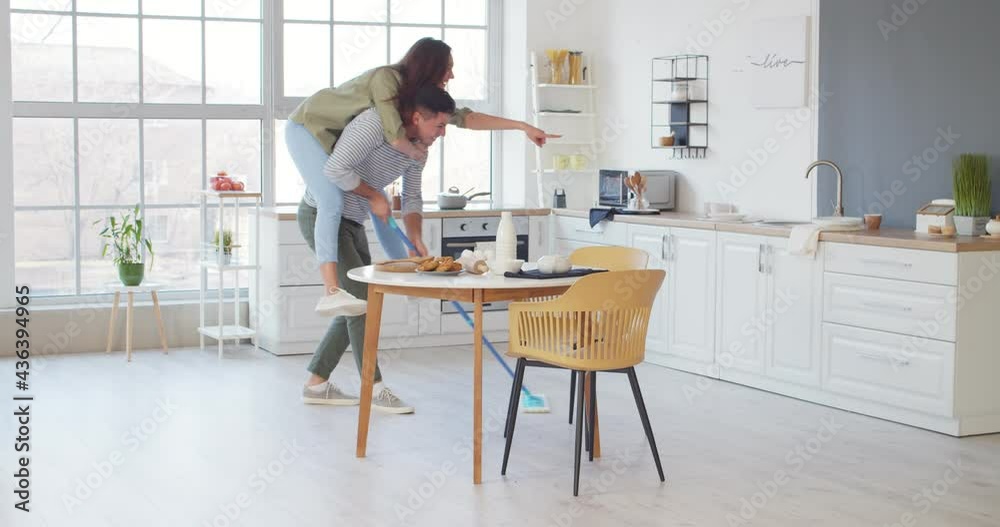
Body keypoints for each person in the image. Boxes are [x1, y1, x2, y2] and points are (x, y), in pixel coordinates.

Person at [286, 37, 558, 318]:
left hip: (333, 139)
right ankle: (330, 291)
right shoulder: (387, 80)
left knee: (374, 207)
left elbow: (465, 118)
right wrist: (417, 152)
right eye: (448, 67)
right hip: (306, 126)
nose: (451, 75)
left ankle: (400, 275)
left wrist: (520, 126)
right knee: (330, 198)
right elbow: (394, 137)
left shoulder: (420, 102)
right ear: (430, 66)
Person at [298, 85, 454, 412]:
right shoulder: (372, 127)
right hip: (323, 215)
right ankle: (375, 388)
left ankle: (317, 382)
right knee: (360, 303)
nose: (442, 133)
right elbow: (335, 170)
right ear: (415, 117)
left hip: (353, 223)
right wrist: (373, 195)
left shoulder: (419, 151)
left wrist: (416, 238)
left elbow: (411, 198)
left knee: (358, 303)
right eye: (438, 125)